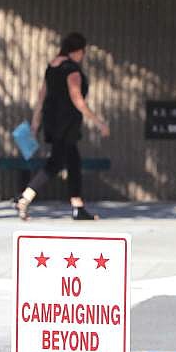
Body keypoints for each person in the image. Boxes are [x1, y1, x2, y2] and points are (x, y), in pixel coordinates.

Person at [15, 32, 109, 220]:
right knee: (56, 163)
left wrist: (36, 122)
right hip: (67, 124)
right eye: (83, 52)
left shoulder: (52, 66)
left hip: (52, 121)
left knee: (73, 162)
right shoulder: (71, 69)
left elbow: (42, 95)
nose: (83, 56)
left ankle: (78, 206)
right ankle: (25, 198)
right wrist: (99, 122)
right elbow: (77, 100)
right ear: (78, 51)